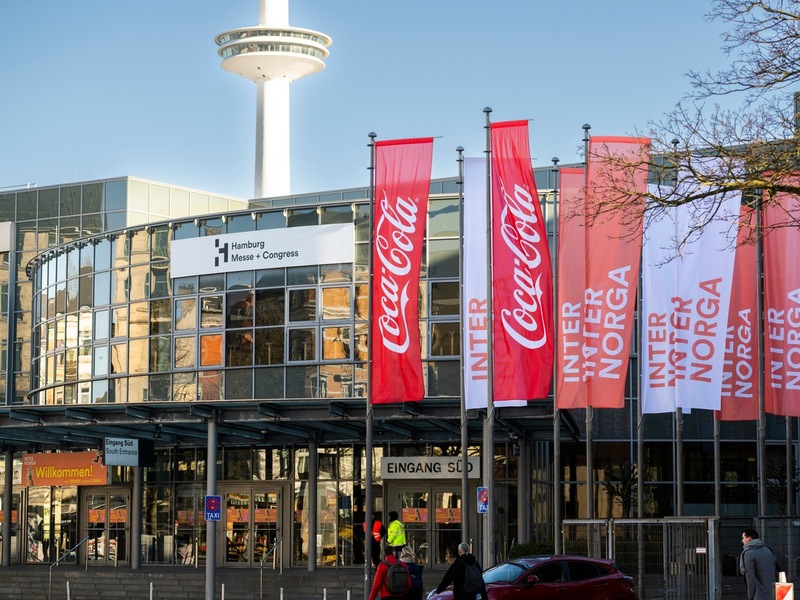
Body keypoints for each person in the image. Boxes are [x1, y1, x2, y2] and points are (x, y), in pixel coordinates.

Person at [739, 527, 778, 600]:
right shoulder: (769, 551)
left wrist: (750, 595)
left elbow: (750, 577)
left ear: (749, 539)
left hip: (758, 594)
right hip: (772, 591)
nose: (742, 540)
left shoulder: (748, 554)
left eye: (743, 538)